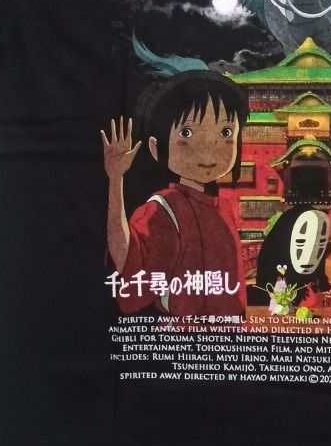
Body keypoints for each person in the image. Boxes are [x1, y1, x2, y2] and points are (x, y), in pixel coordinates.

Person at [102, 70, 248, 316]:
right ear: (155, 147)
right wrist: (116, 179)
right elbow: (129, 261)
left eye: (225, 133)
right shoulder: (163, 208)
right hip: (182, 331)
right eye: (186, 133)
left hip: (229, 331)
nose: (207, 149)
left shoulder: (224, 209)